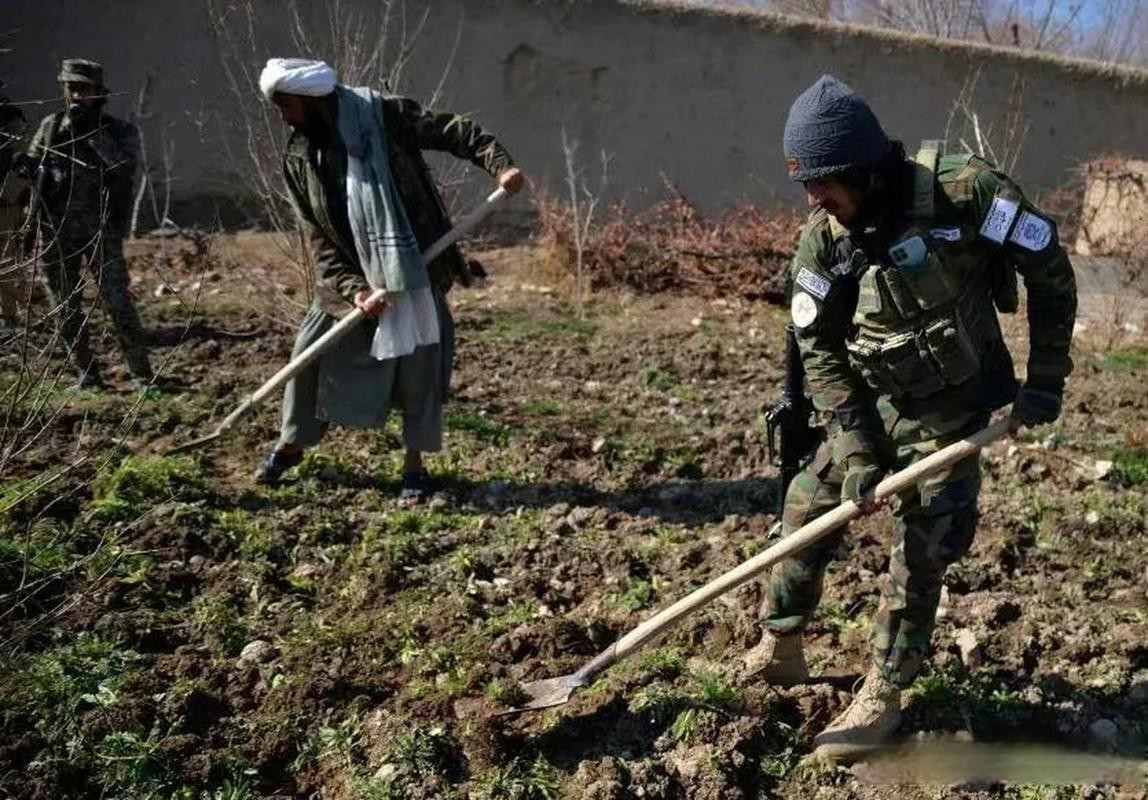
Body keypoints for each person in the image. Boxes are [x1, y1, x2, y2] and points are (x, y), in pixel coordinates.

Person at [743, 75, 1076, 760]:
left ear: (863, 169)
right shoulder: (824, 242)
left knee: (921, 550)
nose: (812, 199)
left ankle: (886, 689)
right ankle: (781, 640)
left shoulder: (966, 192)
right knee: (805, 512)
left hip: (953, 410)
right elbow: (818, 348)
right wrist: (858, 447)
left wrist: (1045, 379)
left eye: (824, 181)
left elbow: (1049, 269)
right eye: (804, 184)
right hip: (869, 402)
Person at [253, 58, 524, 500]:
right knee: (310, 356)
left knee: (420, 368)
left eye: (286, 105)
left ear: (309, 98)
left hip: (415, 263)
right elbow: (317, 236)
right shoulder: (299, 157)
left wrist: (500, 166)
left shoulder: (384, 115)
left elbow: (455, 131)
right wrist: (353, 289)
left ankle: (414, 466)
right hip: (351, 274)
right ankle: (292, 443)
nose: (283, 117)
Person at [19, 59, 151, 389]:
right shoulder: (51, 127)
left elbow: (124, 169)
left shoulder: (118, 131)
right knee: (64, 307)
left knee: (117, 302)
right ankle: (87, 374)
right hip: (56, 232)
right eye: (71, 88)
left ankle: (141, 374)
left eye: (84, 89)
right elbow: (35, 173)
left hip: (100, 233)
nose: (77, 95)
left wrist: (91, 135)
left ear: (98, 93)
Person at [0, 79, 29, 330]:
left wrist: (10, 192)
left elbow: (23, 159)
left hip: (4, 201)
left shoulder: (11, 117)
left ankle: (7, 317)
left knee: (6, 259)